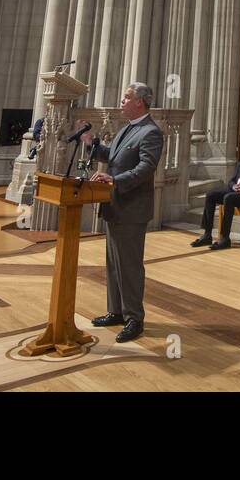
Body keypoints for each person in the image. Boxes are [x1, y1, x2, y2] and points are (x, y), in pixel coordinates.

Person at [84, 82, 163, 343]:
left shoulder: (150, 132)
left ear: (140, 101)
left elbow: (145, 168)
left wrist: (114, 180)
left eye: (126, 97)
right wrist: (93, 145)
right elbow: (113, 156)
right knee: (113, 264)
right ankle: (116, 311)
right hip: (114, 206)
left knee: (129, 266)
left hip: (131, 208)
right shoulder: (126, 129)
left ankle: (134, 318)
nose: (122, 101)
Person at [192, 138, 240, 250]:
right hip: (236, 191)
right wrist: (234, 186)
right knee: (210, 195)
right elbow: (232, 180)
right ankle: (207, 234)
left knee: (228, 198)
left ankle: (224, 238)